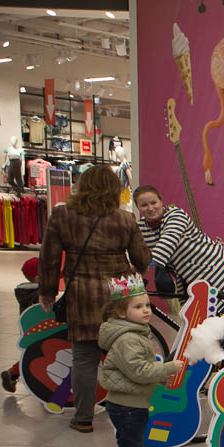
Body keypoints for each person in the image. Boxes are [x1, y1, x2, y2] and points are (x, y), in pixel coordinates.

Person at [39, 164, 150, 433]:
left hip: (82, 295)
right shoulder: (124, 219)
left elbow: (49, 258)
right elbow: (142, 259)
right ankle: (131, 413)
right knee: (126, 354)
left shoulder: (62, 215)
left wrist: (47, 292)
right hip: (120, 295)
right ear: (113, 189)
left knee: (84, 358)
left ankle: (83, 418)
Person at [97, 274, 185, 447]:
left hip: (134, 401)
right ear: (120, 312)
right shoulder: (127, 339)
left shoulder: (137, 332)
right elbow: (138, 371)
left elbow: (136, 370)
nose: (146, 310)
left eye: (147, 305)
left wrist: (160, 378)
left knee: (133, 446)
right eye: (138, 307)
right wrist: (167, 368)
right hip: (125, 404)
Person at [133, 186, 224, 295]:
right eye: (144, 205)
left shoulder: (176, 215)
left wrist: (142, 265)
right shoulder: (140, 227)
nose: (150, 208)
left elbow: (168, 241)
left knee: (219, 304)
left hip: (214, 270)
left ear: (161, 201)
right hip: (187, 279)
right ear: (137, 207)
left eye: (153, 202)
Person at [0, 257, 41, 393]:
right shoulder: (37, 294)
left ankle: (13, 373)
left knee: (33, 354)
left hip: (29, 330)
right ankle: (13, 373)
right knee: (37, 355)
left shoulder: (26, 292)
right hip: (40, 330)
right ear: (38, 277)